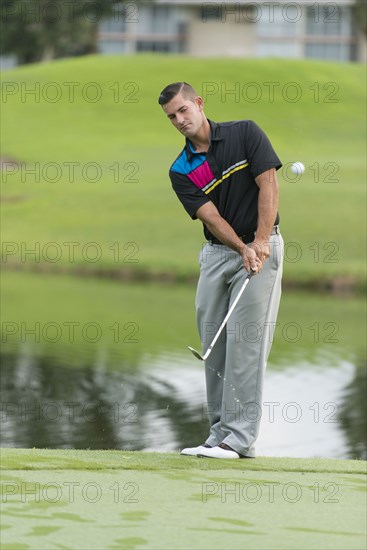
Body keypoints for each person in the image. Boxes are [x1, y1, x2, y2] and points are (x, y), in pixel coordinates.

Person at [158, 82, 283, 459]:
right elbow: (210, 218)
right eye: (171, 117)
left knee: (246, 343)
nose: (179, 120)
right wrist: (241, 248)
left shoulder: (245, 132)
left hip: (263, 244)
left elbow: (269, 184)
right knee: (213, 344)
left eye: (183, 110)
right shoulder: (182, 169)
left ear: (198, 103)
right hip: (219, 254)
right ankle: (218, 435)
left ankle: (238, 438)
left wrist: (259, 243)